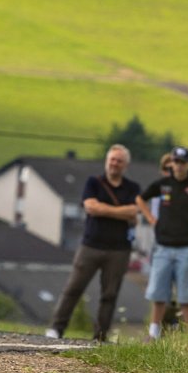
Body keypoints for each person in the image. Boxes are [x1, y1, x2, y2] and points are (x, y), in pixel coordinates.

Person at [45, 144, 140, 341]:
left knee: (109, 295)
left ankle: (100, 336)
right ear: (107, 161)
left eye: (119, 161)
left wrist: (104, 208)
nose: (115, 164)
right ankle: (56, 328)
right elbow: (90, 207)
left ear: (126, 165)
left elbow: (133, 212)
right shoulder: (93, 182)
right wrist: (119, 211)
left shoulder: (133, 188)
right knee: (73, 288)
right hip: (90, 246)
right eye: (112, 159)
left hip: (119, 250)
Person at [135, 146, 188, 340]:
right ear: (172, 163)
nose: (179, 166)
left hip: (186, 247)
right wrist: (151, 219)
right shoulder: (163, 184)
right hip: (163, 245)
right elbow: (140, 199)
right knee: (159, 292)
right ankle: (154, 332)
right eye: (176, 162)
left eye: (182, 162)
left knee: (186, 294)